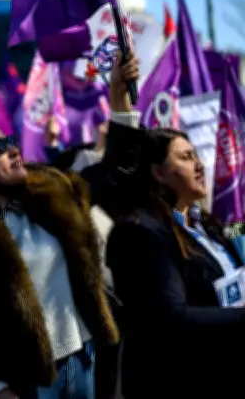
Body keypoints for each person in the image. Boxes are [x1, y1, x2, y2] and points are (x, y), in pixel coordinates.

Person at [0, 51, 141, 399]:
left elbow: (117, 169)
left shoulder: (53, 194)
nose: (14, 150)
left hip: (87, 362)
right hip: (25, 381)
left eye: (12, 141)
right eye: (0, 147)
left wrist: (119, 96)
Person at [104, 84, 245, 398]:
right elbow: (170, 319)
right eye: (186, 157)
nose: (199, 164)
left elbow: (235, 245)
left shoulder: (205, 223)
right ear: (158, 172)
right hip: (181, 380)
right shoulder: (142, 232)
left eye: (197, 155)